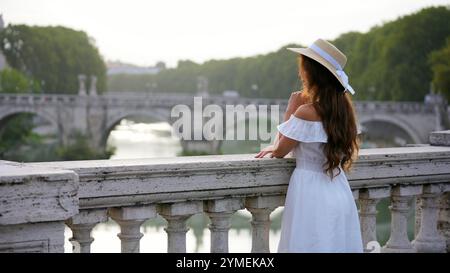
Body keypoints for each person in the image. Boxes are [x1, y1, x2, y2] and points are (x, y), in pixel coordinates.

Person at [255, 39, 363, 252]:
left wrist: (291, 110)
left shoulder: (306, 112)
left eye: (302, 68)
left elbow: (279, 150)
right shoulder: (345, 113)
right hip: (339, 190)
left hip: (310, 192)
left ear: (312, 73)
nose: (300, 74)